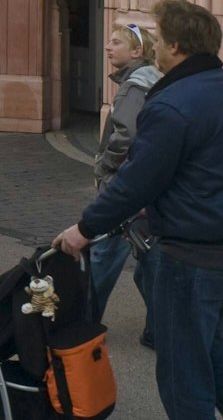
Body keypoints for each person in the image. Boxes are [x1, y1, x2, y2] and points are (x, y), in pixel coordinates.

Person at [53, 0, 223, 420]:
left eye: (158, 39)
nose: (154, 47)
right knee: (210, 354)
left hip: (195, 255)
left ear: (175, 46)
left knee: (183, 375)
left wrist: (84, 229)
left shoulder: (171, 104)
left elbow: (137, 182)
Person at [86, 21, 161, 331]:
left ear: (137, 51)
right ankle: (161, 326)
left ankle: (83, 323)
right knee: (149, 256)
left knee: (104, 251)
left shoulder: (134, 85)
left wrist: (105, 163)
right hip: (145, 180)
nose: (108, 46)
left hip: (125, 181)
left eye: (116, 42)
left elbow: (125, 134)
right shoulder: (153, 79)